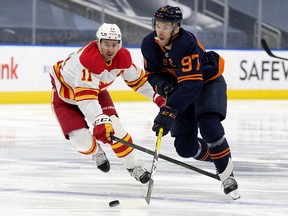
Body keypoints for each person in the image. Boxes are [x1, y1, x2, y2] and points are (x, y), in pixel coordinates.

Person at [141, 5, 240, 199]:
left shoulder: (186, 43)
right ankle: (218, 154)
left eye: (166, 27)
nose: (160, 31)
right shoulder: (148, 44)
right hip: (181, 89)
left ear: (176, 27)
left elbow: (192, 85)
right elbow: (151, 74)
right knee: (185, 148)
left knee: (208, 123)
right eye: (158, 25)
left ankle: (228, 176)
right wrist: (161, 84)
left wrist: (168, 111)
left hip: (207, 83)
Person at [49, 23, 165, 184]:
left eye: (115, 44)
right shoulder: (88, 60)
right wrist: (100, 120)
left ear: (120, 44)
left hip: (97, 93)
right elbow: (86, 98)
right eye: (106, 44)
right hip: (65, 100)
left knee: (117, 130)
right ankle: (96, 152)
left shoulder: (122, 58)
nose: (111, 49)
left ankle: (134, 166)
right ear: (98, 43)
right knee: (80, 141)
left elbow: (140, 81)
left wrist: (159, 98)